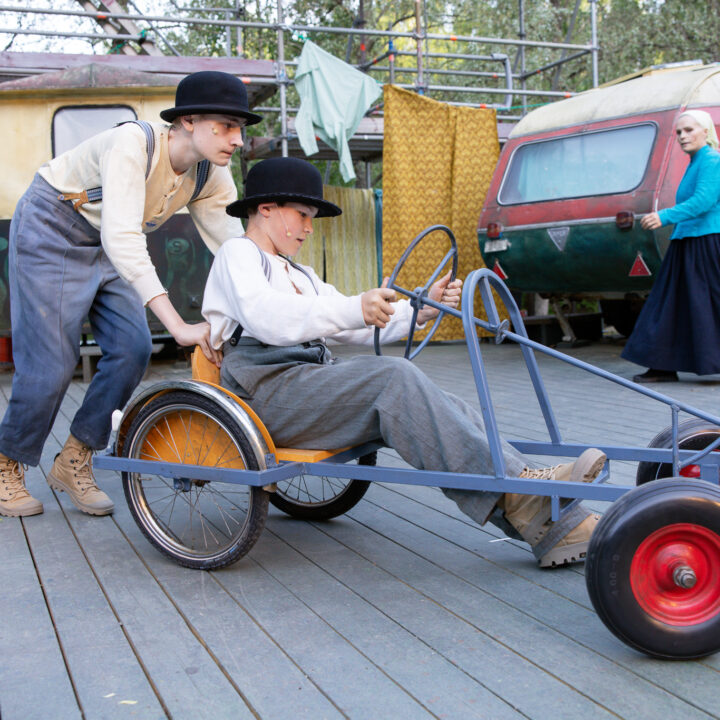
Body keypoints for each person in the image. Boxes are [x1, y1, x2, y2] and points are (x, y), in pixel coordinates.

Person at [202, 157, 602, 568]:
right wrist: (356, 307)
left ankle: (548, 516)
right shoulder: (238, 254)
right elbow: (267, 316)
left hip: (305, 379)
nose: (308, 227)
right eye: (303, 215)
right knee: (393, 379)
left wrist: (420, 310)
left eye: (311, 218)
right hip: (263, 390)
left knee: (442, 403)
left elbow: (356, 325)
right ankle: (525, 490)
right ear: (265, 208)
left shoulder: (301, 274)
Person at [0, 71, 262, 518]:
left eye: (241, 128)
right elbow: (122, 240)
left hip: (110, 240)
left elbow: (236, 249)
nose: (237, 139)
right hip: (52, 227)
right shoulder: (133, 144)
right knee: (51, 364)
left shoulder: (210, 175)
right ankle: (7, 464)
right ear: (190, 120)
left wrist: (286, 298)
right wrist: (177, 324)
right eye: (226, 125)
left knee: (133, 348)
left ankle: (75, 458)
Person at [623, 110, 720, 383]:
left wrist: (664, 216)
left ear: (705, 131)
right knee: (670, 305)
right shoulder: (696, 162)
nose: (682, 136)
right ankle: (662, 365)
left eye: (689, 130)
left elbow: (704, 201)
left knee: (708, 304)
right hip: (687, 242)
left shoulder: (712, 160)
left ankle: (665, 365)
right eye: (679, 132)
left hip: (707, 242)